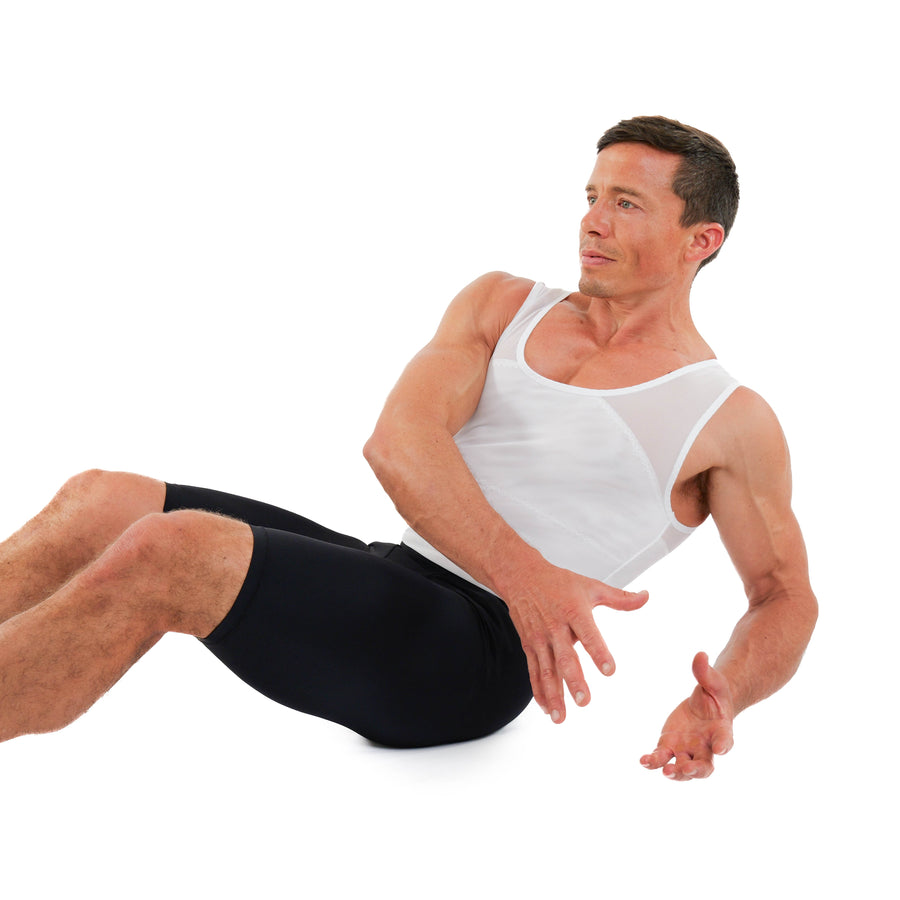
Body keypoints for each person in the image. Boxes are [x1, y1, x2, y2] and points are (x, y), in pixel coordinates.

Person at [0, 116, 817, 781]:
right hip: (399, 573)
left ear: (700, 239)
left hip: (478, 655)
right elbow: (398, 442)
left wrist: (724, 696)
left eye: (628, 204)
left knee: (173, 551)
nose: (593, 221)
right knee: (104, 498)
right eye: (592, 195)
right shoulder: (504, 304)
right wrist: (526, 571)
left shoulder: (726, 418)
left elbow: (784, 595)